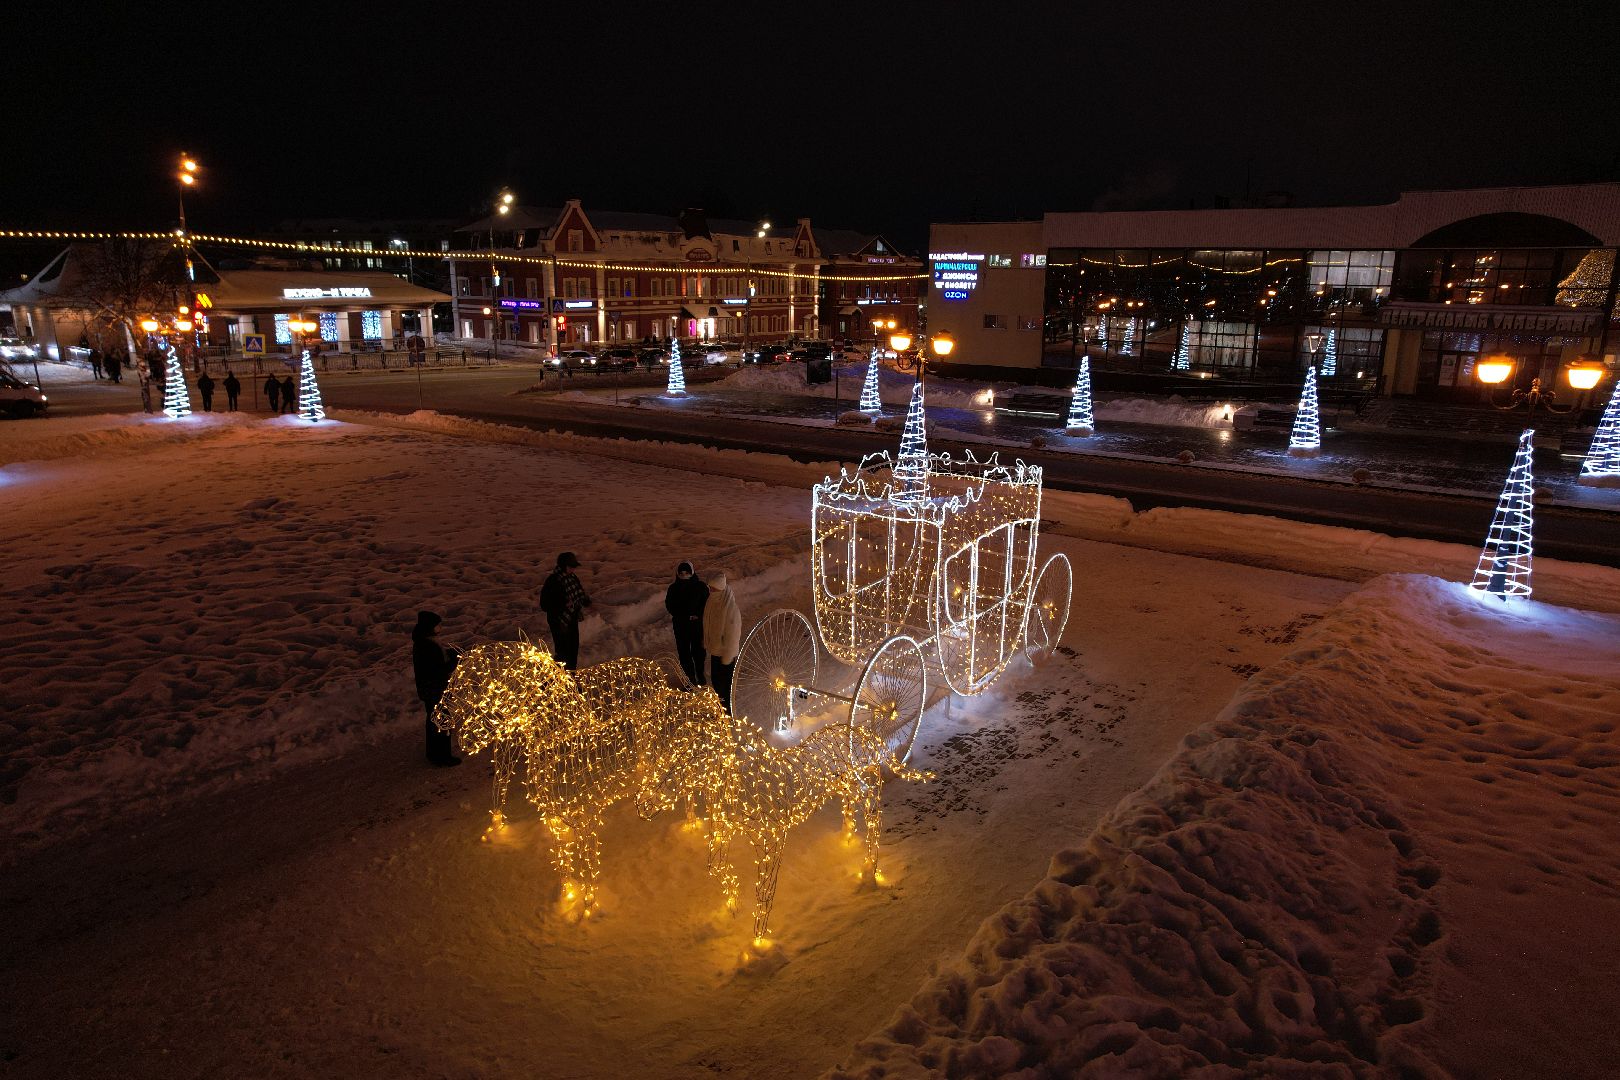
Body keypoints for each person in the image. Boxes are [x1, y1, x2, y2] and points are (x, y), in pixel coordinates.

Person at [412, 610, 461, 766]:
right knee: (443, 721)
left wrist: (451, 653)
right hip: (436, 689)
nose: (440, 627)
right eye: (438, 625)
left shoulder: (424, 642)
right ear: (430, 627)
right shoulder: (428, 646)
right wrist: (455, 661)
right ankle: (443, 756)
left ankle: (433, 753)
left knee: (434, 720)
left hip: (430, 689)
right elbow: (439, 668)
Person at [540, 551, 591, 670]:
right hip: (558, 621)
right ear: (563, 566)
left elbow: (578, 594)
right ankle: (550, 682)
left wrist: (584, 601)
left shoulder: (572, 578)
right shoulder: (553, 581)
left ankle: (571, 677)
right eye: (571, 567)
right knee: (562, 653)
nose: (573, 569)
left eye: (574, 567)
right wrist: (563, 604)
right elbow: (545, 604)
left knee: (573, 650)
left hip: (571, 619)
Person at [664, 561, 710, 687]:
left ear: (692, 572)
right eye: (681, 572)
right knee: (684, 653)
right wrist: (681, 616)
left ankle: (700, 675)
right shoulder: (673, 588)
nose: (684, 574)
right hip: (681, 626)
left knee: (699, 652)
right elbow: (670, 605)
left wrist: (698, 615)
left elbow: (707, 603)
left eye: (687, 572)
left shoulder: (700, 586)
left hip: (697, 626)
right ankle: (689, 679)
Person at [703, 570, 742, 712]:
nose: (710, 590)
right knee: (716, 681)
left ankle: (727, 712)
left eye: (713, 588)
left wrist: (727, 657)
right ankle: (721, 707)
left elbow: (733, 636)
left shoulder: (730, 608)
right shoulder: (712, 600)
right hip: (715, 650)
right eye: (710, 588)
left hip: (726, 655)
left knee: (725, 685)